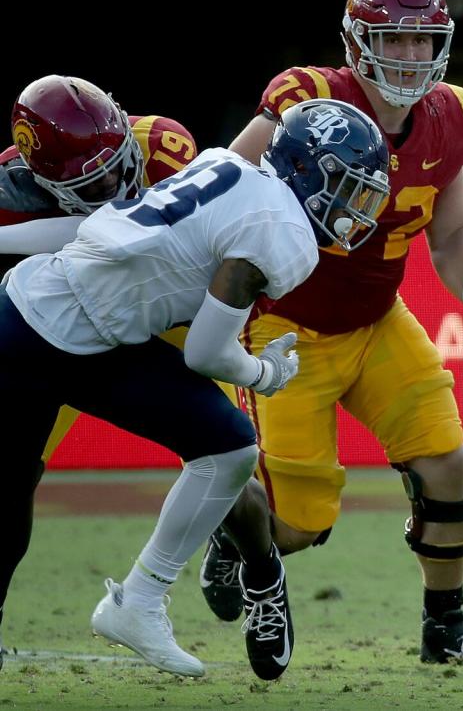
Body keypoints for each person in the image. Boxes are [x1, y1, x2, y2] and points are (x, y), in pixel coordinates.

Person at [199, 0, 463, 681]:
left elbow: (453, 226)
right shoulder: (308, 96)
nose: (409, 56)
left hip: (377, 321)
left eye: (421, 41)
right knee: (300, 527)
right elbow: (220, 183)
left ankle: (447, 628)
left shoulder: (451, 114)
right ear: (357, 41)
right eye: (393, 40)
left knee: (448, 469)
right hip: (284, 330)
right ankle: (236, 536)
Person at [0, 97, 390, 677]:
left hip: (49, 317)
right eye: (349, 187)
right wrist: (268, 374)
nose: (358, 208)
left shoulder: (224, 164)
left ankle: (139, 602)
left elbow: (108, 225)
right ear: (308, 172)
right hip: (51, 337)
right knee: (225, 451)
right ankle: (141, 598)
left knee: (227, 448)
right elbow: (208, 351)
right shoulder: (284, 233)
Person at [0, 74, 198, 669]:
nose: (114, 185)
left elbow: (148, 239)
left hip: (162, 322)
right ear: (41, 180)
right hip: (58, 337)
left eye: (118, 166)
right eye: (91, 181)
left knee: (228, 449)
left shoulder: (164, 144)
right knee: (11, 477)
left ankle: (260, 576)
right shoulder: (11, 188)